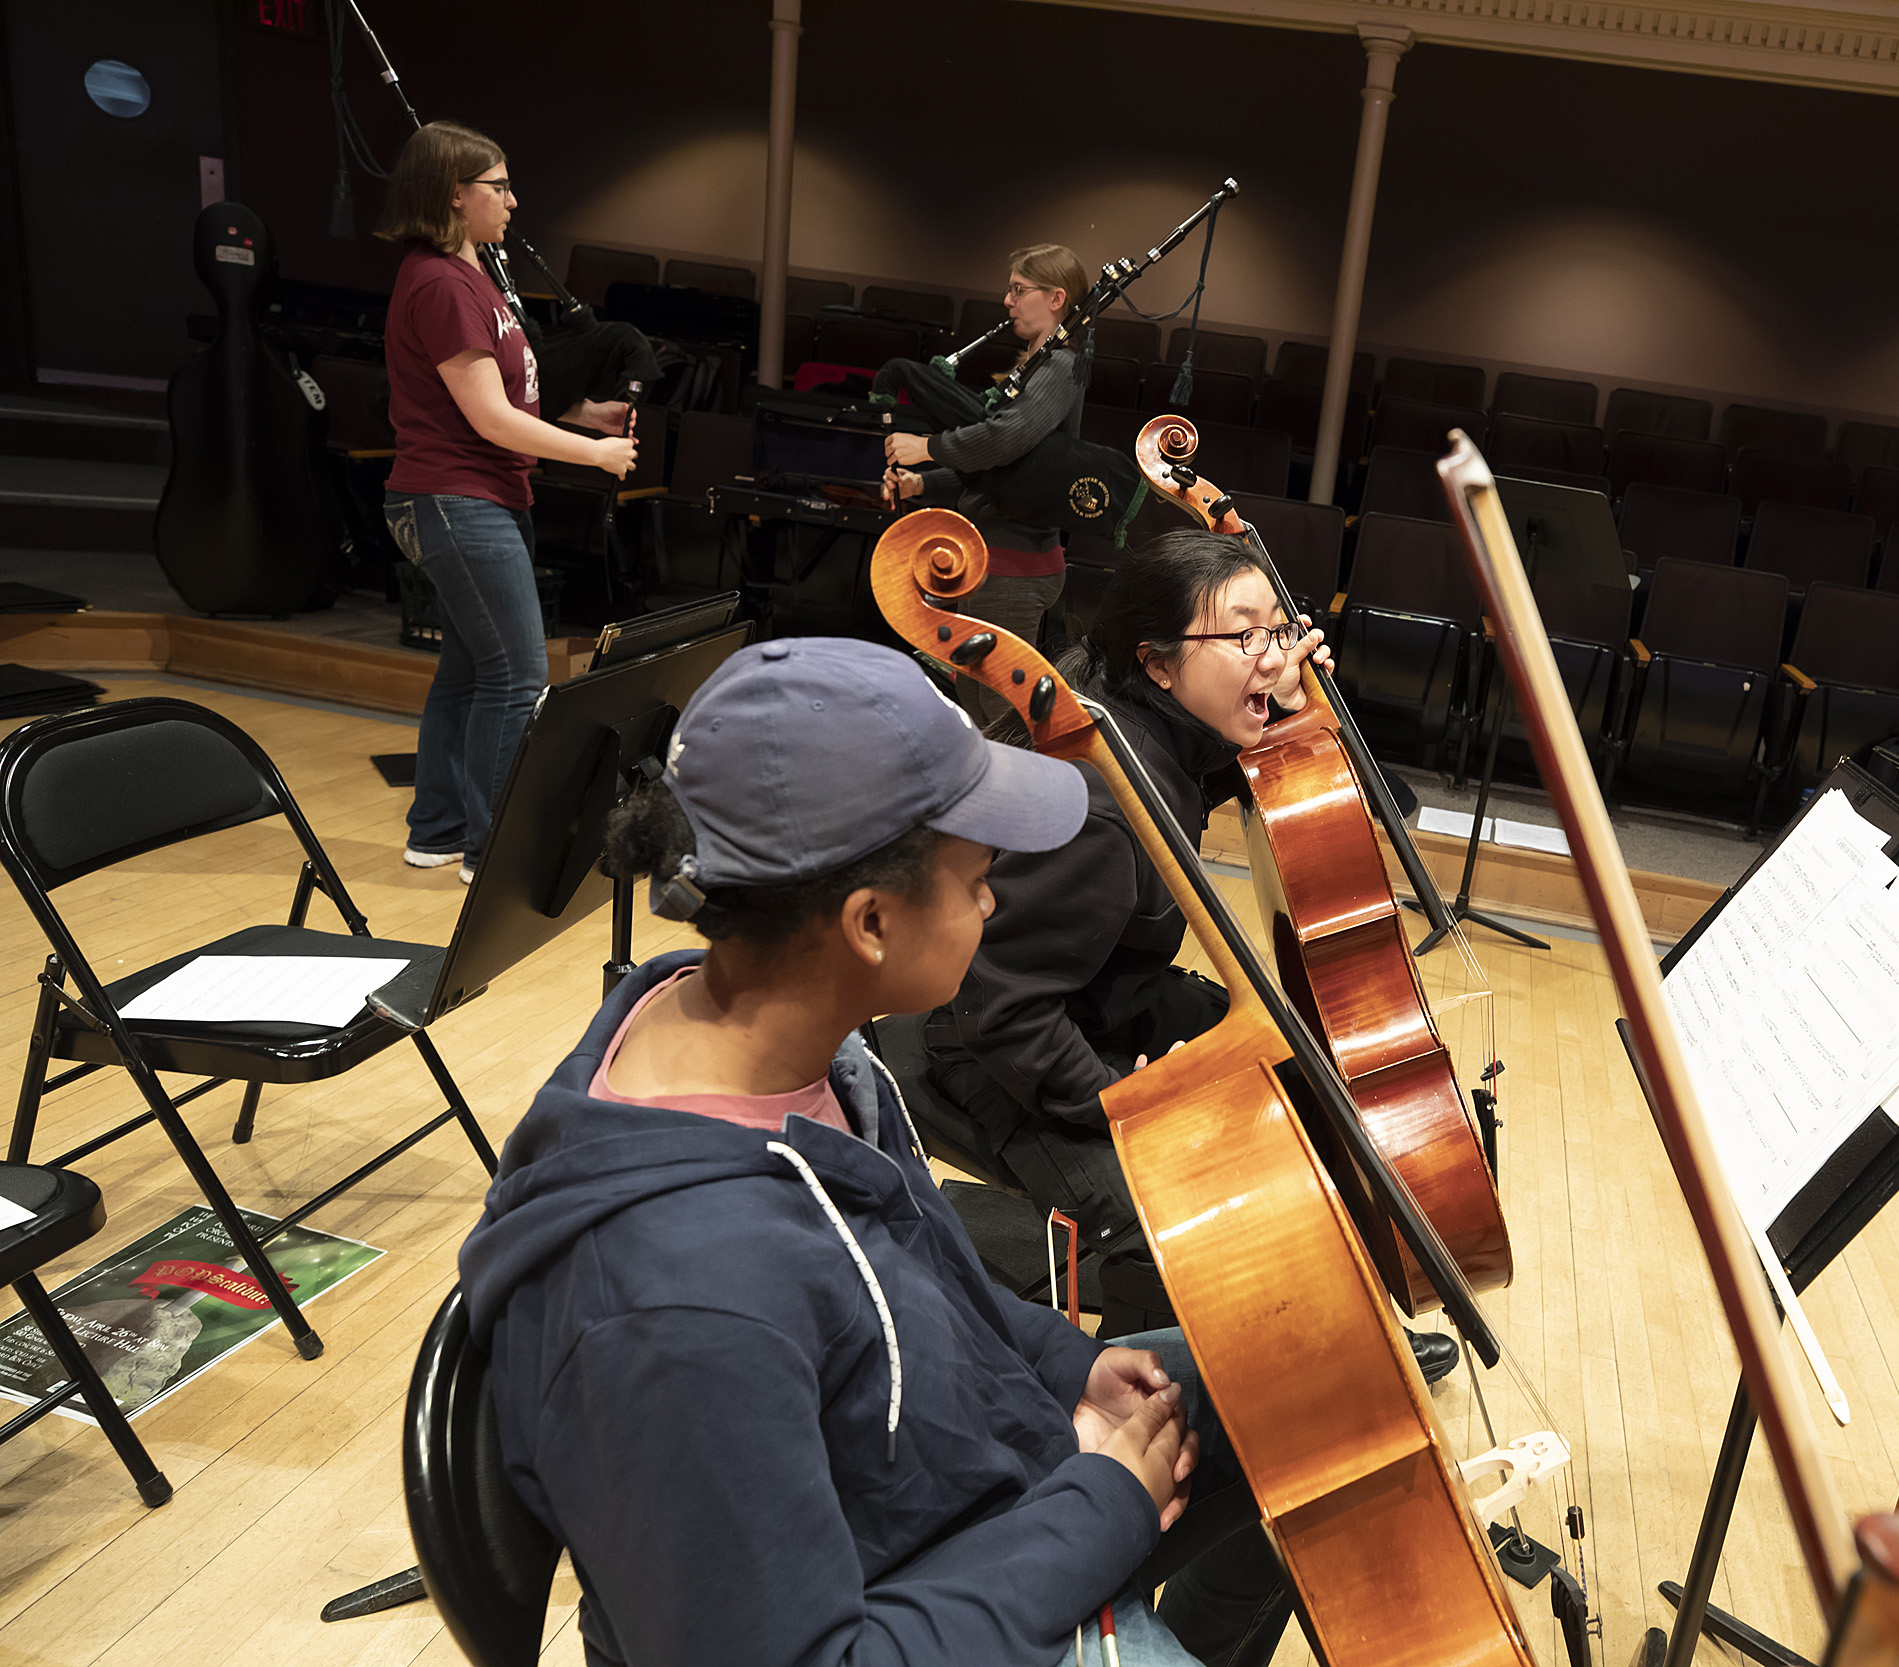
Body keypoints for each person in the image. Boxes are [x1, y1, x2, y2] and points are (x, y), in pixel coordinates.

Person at [460, 638, 1292, 1667]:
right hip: (893, 1599)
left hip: (957, 1497)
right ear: (869, 920)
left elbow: (932, 1277)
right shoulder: (678, 1304)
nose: (994, 902)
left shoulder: (811, 1050)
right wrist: (1102, 1506)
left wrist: (1066, 1360)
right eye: (980, 877)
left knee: (1312, 1372)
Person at [920, 528, 1467, 1392]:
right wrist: (1128, 1099)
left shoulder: (1139, 718)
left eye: (1277, 630)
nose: (1273, 653)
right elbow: (1004, 1010)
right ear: (1160, 663)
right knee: (1180, 1222)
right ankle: (1172, 1406)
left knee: (1301, 1076)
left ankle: (1343, 1331)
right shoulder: (1102, 804)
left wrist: (1288, 709)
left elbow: (1261, 776)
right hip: (1001, 1051)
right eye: (1244, 635)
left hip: (1104, 994)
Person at [376, 120, 637, 882]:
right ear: (455, 196)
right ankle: (489, 855)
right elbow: (487, 420)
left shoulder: (470, 276)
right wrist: (595, 453)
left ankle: (438, 830)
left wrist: (582, 418)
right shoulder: (440, 283)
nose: (513, 202)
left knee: (469, 668)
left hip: (476, 494)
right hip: (456, 498)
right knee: (518, 676)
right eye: (498, 187)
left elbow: (504, 394)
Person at [881, 243, 1089, 720]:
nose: (1007, 300)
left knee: (998, 711)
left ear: (1056, 298)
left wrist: (929, 446)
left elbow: (1006, 440)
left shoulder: (1060, 367)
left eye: (1019, 290)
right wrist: (922, 484)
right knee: (975, 703)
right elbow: (996, 471)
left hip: (1018, 566)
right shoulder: (1032, 366)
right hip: (993, 560)